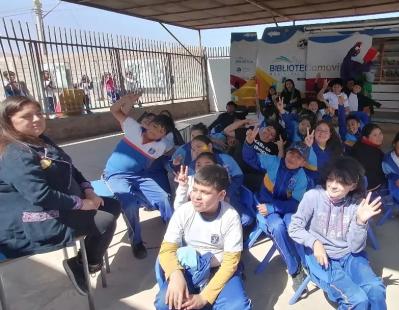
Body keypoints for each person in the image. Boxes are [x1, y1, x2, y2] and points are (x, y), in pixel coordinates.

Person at [0, 96, 121, 296]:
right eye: (27, 117)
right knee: (105, 221)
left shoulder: (40, 140)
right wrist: (82, 203)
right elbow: (41, 196)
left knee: (113, 205)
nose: (37, 119)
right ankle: (86, 264)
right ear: (8, 121)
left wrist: (88, 190)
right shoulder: (15, 153)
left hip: (60, 202)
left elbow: (70, 167)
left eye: (39, 113)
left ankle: (83, 260)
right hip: (33, 217)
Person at [289, 158, 387, 310]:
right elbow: (294, 227)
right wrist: (315, 243)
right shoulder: (313, 196)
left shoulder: (357, 204)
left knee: (376, 290)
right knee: (357, 300)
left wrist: (360, 222)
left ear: (353, 185)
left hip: (349, 256)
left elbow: (355, 248)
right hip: (322, 259)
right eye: (330, 179)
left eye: (341, 182)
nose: (333, 185)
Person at [155, 165, 251, 310]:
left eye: (205, 192)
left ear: (221, 195)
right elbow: (167, 249)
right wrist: (175, 273)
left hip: (219, 269)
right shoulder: (184, 211)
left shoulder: (231, 217)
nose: (196, 196)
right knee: (165, 303)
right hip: (189, 266)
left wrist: (205, 296)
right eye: (194, 189)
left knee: (237, 306)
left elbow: (231, 262)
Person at [242, 129, 316, 291]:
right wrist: (248, 143)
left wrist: (272, 207)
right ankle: (295, 270)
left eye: (298, 157)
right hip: (267, 207)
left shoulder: (301, 177)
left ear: (303, 162)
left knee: (292, 224)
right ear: (286, 153)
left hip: (286, 207)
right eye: (291, 153)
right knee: (276, 226)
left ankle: (307, 262)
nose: (293, 158)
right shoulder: (273, 162)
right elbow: (250, 158)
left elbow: (296, 203)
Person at [103, 94, 175, 259]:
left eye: (161, 131)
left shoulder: (160, 147)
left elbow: (147, 164)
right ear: (149, 124)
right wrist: (126, 99)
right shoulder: (133, 128)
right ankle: (136, 242)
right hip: (115, 174)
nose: (156, 131)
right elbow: (114, 110)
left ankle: (174, 236)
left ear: (164, 135)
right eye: (155, 126)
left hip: (138, 175)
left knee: (163, 198)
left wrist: (144, 184)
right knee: (129, 203)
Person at [350, 123, 393, 207]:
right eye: (375, 135)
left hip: (357, 184)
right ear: (365, 138)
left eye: (380, 133)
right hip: (370, 186)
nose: (379, 137)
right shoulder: (373, 152)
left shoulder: (358, 145)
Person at [307, 120, 343, 184]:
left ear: (330, 135)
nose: (322, 133)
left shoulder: (334, 151)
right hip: (308, 184)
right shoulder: (306, 146)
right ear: (314, 132)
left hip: (327, 185)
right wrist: (306, 146)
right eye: (319, 130)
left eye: (326, 131)